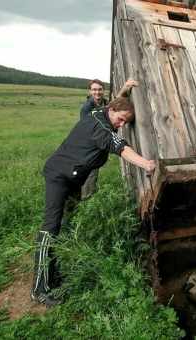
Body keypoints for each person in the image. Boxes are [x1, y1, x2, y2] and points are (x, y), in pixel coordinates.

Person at [30, 80, 155, 307]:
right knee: (50, 229)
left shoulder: (101, 112)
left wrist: (126, 89)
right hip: (60, 177)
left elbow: (118, 102)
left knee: (64, 227)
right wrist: (146, 164)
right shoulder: (101, 128)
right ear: (112, 111)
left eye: (124, 123)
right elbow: (122, 148)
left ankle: (53, 274)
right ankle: (39, 289)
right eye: (120, 120)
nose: (120, 125)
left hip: (72, 179)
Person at [79, 79, 137, 199]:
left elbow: (114, 103)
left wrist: (125, 88)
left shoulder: (105, 102)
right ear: (90, 91)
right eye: (94, 89)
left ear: (103, 90)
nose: (97, 92)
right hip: (91, 145)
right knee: (89, 172)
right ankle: (86, 200)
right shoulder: (87, 107)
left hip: (101, 144)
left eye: (100, 89)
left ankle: (87, 196)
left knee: (93, 172)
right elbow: (88, 128)